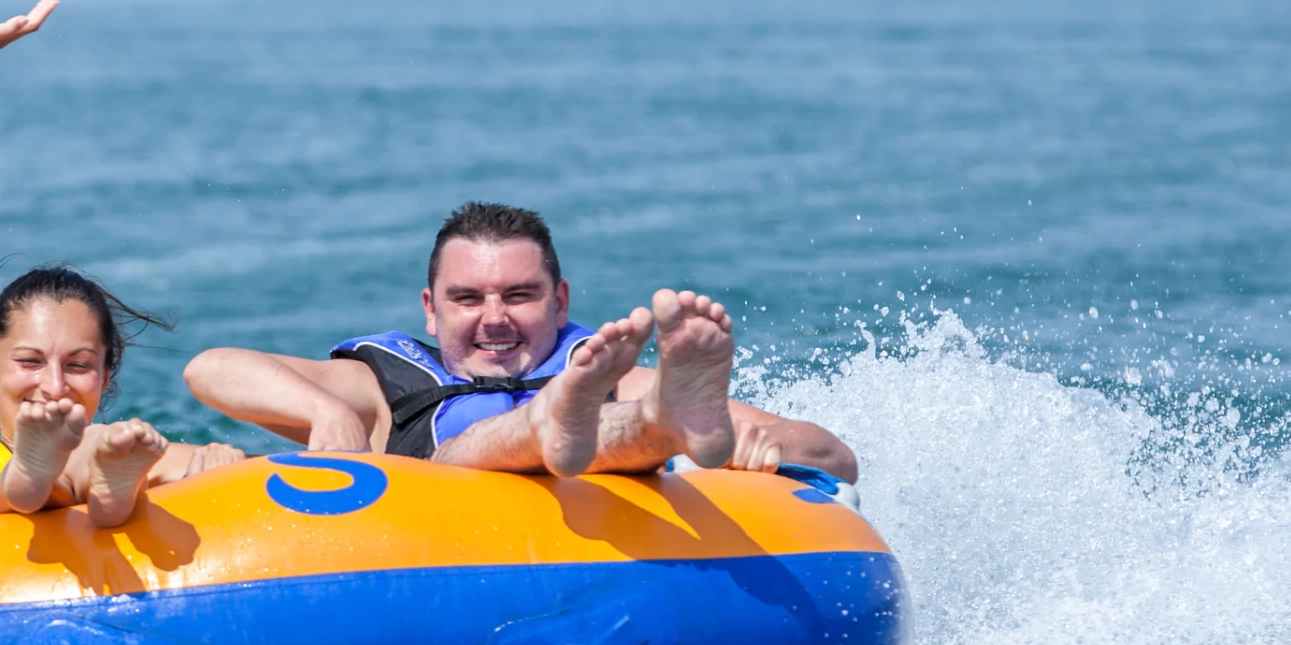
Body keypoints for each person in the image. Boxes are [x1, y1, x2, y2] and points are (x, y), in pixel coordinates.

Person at [183, 201, 857, 482]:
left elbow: (834, 456)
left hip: (588, 556)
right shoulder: (386, 390)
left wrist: (760, 448)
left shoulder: (609, 372)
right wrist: (326, 412)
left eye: (519, 295)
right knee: (470, 452)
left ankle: (649, 427)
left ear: (560, 302)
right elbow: (211, 368)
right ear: (430, 311)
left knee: (644, 412)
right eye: (467, 299)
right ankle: (581, 425)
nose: (494, 318)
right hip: (437, 538)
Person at [0, 0, 240, 523]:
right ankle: (37, 477)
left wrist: (223, 463)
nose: (53, 388)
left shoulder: (120, 444)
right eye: (30, 361)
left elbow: (252, 479)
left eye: (78, 365)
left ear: (105, 374)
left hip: (94, 468)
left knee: (93, 446)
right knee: (62, 460)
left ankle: (88, 489)